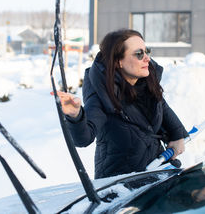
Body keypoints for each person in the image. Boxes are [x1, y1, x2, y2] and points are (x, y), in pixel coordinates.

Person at [57, 29, 188, 179]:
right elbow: (83, 138)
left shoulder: (146, 82)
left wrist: (177, 135)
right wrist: (75, 115)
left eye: (147, 51)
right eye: (139, 54)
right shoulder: (102, 94)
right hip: (120, 187)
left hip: (154, 173)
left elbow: (162, 107)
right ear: (118, 61)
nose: (147, 58)